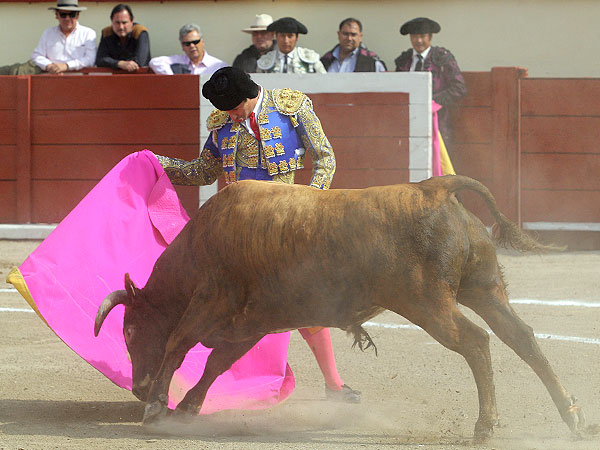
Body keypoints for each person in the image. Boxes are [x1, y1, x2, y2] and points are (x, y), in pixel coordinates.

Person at [155, 66, 360, 403]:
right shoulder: (223, 124)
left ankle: (334, 385)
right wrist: (156, 163)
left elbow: (325, 158)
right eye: (227, 111)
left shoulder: (291, 109)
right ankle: (218, 389)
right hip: (237, 235)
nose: (232, 116)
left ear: (250, 96)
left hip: (283, 229)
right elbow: (203, 172)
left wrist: (311, 205)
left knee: (302, 303)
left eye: (235, 109)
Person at [394, 17, 466, 145]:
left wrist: (432, 102)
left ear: (430, 37)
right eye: (415, 36)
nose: (419, 41)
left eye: (422, 36)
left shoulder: (443, 58)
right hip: (409, 121)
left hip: (438, 121)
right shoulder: (404, 61)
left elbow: (459, 88)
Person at [0, 0, 96, 75]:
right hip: (49, 80)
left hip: (79, 80)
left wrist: (66, 66)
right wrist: (49, 66)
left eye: (71, 15)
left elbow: (90, 59)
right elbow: (36, 56)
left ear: (77, 16)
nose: (67, 18)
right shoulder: (48, 33)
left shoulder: (88, 33)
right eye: (63, 15)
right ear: (56, 16)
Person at [149, 24, 227, 75]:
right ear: (182, 46)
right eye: (187, 43)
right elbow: (155, 62)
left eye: (195, 42)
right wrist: (172, 78)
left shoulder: (218, 65)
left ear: (202, 42)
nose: (192, 46)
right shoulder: (178, 61)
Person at [256, 17, 326, 74]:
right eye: (282, 36)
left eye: (290, 36)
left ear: (297, 37)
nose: (286, 41)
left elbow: (324, 82)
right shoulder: (264, 61)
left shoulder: (311, 58)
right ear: (276, 36)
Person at [95, 4, 150, 72]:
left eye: (124, 23)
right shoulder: (106, 32)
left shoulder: (140, 31)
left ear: (132, 21)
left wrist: (115, 63)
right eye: (117, 23)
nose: (121, 27)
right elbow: (100, 59)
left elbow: (141, 61)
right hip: (115, 78)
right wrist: (119, 63)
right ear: (112, 21)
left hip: (140, 76)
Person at [321, 18, 387, 73]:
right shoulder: (325, 61)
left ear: (360, 37)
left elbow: (384, 85)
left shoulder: (373, 63)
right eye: (345, 34)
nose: (349, 38)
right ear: (339, 34)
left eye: (353, 34)